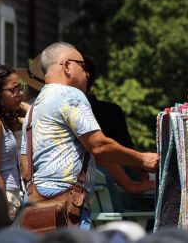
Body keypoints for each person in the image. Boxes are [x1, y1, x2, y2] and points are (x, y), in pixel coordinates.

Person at [20, 42, 159, 230]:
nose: (87, 74)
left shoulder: (35, 107)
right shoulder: (70, 95)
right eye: (82, 66)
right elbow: (99, 146)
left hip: (35, 206)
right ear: (67, 65)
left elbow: (26, 168)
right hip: (67, 204)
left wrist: (130, 184)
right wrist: (142, 159)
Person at [84, 56, 154, 194]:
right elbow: (99, 150)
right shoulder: (107, 111)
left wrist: (140, 169)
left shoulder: (47, 107)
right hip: (107, 193)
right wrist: (140, 166)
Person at [0, 64, 29, 220]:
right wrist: (2, 209)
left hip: (13, 197)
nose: (20, 93)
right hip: (5, 199)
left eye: (20, 88)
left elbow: (36, 118)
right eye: (14, 89)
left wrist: (17, 100)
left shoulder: (6, 121)